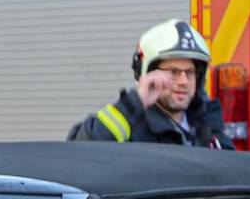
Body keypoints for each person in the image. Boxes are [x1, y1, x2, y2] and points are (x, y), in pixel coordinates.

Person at [69, 20, 232, 149]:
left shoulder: (208, 128)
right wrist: (134, 103)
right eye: (173, 72)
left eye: (189, 72)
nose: (183, 81)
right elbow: (82, 152)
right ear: (148, 74)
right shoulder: (133, 131)